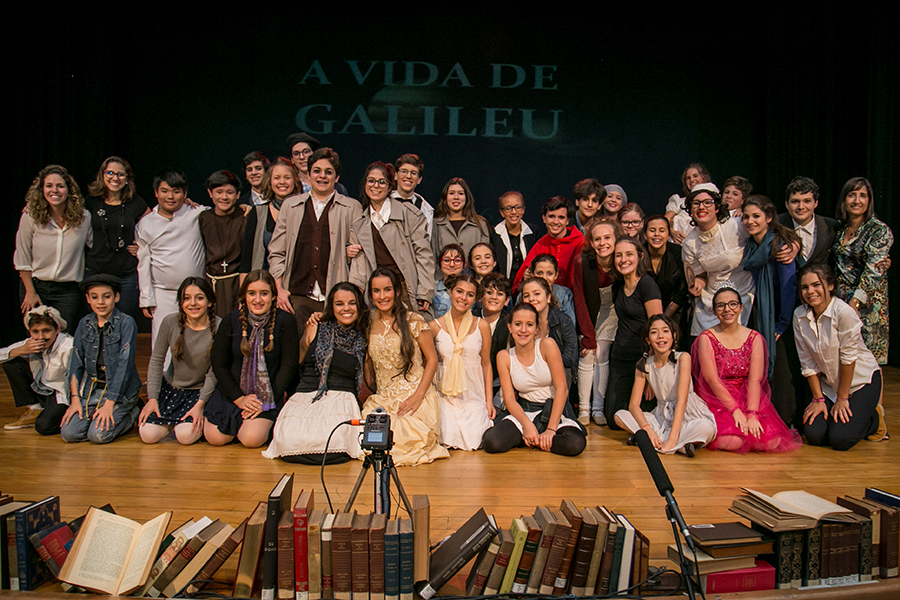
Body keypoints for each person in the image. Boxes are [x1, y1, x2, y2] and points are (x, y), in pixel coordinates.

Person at [263, 282, 368, 464]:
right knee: (288, 439)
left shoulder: (365, 334)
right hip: (308, 394)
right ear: (331, 307)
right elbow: (296, 361)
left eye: (352, 303)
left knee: (334, 439)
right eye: (339, 304)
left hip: (342, 397)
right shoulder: (315, 325)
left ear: (359, 306)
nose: (346, 308)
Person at [691, 282, 801, 453]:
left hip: (748, 396)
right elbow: (712, 379)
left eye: (732, 304)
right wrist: (735, 410)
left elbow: (755, 380)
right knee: (732, 440)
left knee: (770, 441)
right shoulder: (707, 338)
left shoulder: (754, 337)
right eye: (721, 305)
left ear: (741, 308)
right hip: (718, 398)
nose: (727, 309)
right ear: (714, 311)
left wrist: (752, 413)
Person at [361, 268, 449, 466]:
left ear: (397, 291)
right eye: (376, 291)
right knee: (369, 442)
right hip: (383, 398)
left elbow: (432, 360)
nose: (382, 296)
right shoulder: (368, 323)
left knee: (403, 443)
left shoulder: (414, 321)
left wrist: (417, 396)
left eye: (387, 289)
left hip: (415, 396)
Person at [269, 148, 362, 334]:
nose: (322, 176)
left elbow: (359, 256)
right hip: (296, 296)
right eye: (317, 171)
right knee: (298, 347)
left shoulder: (351, 207)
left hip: (337, 298)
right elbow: (277, 252)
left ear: (336, 177)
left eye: (328, 172)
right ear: (308, 174)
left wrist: (352, 295)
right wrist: (279, 289)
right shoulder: (291, 206)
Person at [203, 270, 299, 448]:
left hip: (268, 394)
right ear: (244, 296)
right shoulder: (230, 321)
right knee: (215, 438)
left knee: (251, 439)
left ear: (273, 296)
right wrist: (239, 399)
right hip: (233, 392)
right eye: (252, 293)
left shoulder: (286, 321)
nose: (258, 299)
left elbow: (289, 365)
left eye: (264, 293)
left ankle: (258, 424)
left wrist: (266, 401)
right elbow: (219, 364)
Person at [793, 264, 883, 450]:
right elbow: (807, 362)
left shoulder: (843, 312)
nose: (810, 291)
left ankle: (874, 418)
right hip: (829, 386)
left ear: (830, 285)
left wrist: (842, 399)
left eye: (816, 285)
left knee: (840, 439)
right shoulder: (799, 315)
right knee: (815, 435)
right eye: (805, 287)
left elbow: (848, 359)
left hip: (859, 382)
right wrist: (818, 399)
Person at [481, 303, 587, 456]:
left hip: (554, 410)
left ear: (537, 328)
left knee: (575, 443)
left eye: (529, 325)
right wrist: (527, 425)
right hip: (525, 411)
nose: (523, 330)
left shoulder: (547, 345)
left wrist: (551, 429)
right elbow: (509, 399)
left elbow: (562, 389)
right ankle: (535, 437)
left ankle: (536, 439)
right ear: (510, 328)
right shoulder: (504, 356)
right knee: (492, 442)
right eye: (518, 324)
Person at [613, 314, 716, 456]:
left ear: (674, 336)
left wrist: (672, 439)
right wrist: (647, 428)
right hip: (661, 417)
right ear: (648, 340)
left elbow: (682, 400)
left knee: (705, 428)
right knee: (619, 416)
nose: (661, 336)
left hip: (686, 415)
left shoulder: (682, 358)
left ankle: (664, 442)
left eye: (665, 331)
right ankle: (674, 444)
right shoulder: (644, 364)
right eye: (654, 332)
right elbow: (633, 405)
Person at [61, 275, 141, 444]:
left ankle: (132, 413)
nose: (101, 302)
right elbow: (76, 362)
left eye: (107, 296)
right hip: (93, 391)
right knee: (69, 434)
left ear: (116, 297)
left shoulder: (126, 323)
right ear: (88, 299)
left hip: (120, 393)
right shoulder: (84, 324)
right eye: (95, 297)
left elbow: (125, 365)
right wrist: (74, 399)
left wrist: (110, 403)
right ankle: (96, 417)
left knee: (98, 436)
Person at [741, 195, 800, 426]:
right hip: (762, 312)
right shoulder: (751, 246)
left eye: (756, 216)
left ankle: (785, 421)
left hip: (782, 316)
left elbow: (789, 287)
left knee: (782, 368)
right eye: (746, 217)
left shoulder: (780, 244)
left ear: (768, 218)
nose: (750, 221)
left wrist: (782, 323)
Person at [138, 277, 218, 445]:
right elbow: (156, 361)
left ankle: (183, 423)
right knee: (148, 434)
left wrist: (200, 405)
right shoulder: (170, 322)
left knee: (185, 436)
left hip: (200, 393)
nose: (193, 303)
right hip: (172, 389)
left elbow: (215, 371)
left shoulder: (219, 326)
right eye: (186, 298)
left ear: (209, 302)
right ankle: (172, 421)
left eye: (199, 298)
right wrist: (152, 398)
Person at [348, 161, 434, 314]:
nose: (376, 186)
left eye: (382, 182)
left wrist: (425, 292)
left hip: (405, 288)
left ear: (389, 187)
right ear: (365, 184)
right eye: (371, 181)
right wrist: (355, 295)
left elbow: (423, 255)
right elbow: (359, 266)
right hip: (376, 292)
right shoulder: (359, 224)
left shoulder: (409, 215)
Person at [15, 165, 93, 333]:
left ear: (69, 190)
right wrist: (30, 292)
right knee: (38, 338)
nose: (54, 190)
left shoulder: (83, 217)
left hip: (68, 291)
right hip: (36, 287)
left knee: (63, 339)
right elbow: (22, 256)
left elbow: (96, 246)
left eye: (60, 186)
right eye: (49, 186)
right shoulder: (30, 216)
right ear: (41, 190)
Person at [135, 169, 206, 351]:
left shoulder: (197, 213)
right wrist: (146, 298)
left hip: (196, 292)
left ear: (185, 193)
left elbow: (223, 212)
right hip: (162, 294)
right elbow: (143, 263)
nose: (170, 196)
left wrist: (244, 208)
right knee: (163, 343)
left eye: (176, 191)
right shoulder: (145, 224)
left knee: (196, 342)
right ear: (156, 193)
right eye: (165, 191)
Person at [831, 177, 893, 365]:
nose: (857, 201)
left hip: (867, 305)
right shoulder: (839, 228)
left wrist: (855, 303)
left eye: (862, 196)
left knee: (868, 364)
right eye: (852, 195)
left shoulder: (878, 230)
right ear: (844, 199)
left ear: (869, 200)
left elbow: (874, 272)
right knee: (843, 361)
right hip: (841, 302)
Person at [681, 183, 755, 337]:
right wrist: (697, 284)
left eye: (707, 202)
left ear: (716, 207)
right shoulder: (690, 243)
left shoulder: (736, 226)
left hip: (743, 293)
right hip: (712, 300)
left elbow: (765, 233)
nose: (702, 207)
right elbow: (700, 275)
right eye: (696, 203)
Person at [429, 274, 494, 450]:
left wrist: (488, 400)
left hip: (473, 394)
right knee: (446, 435)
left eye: (470, 294)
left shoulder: (482, 326)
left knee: (476, 439)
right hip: (444, 395)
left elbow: (486, 364)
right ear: (450, 292)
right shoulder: (434, 327)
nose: (463, 298)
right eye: (459, 291)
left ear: (475, 299)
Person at [604, 237, 663, 428]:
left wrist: (651, 373)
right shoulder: (617, 286)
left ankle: (646, 434)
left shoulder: (646, 284)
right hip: (621, 358)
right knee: (613, 418)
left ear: (640, 256)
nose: (623, 260)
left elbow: (659, 329)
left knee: (645, 412)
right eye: (618, 255)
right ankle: (641, 431)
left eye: (629, 254)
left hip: (643, 359)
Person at [83, 156, 149, 317]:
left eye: (120, 174)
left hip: (126, 275)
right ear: (102, 175)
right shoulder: (91, 201)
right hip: (95, 271)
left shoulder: (135, 202)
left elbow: (156, 222)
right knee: (98, 321)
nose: (115, 178)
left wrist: (143, 247)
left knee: (123, 321)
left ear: (127, 178)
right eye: (110, 173)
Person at [573, 219, 620, 425]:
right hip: (589, 310)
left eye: (607, 238)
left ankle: (598, 408)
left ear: (616, 239)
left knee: (602, 352)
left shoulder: (621, 259)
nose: (603, 243)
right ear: (591, 243)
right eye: (597, 239)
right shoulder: (582, 262)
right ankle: (584, 408)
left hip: (612, 310)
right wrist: (588, 334)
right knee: (588, 353)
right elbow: (580, 298)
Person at [1, 306, 73, 434]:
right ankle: (35, 409)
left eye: (46, 331)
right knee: (11, 360)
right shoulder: (30, 342)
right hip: (42, 388)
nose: (41, 337)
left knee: (44, 426)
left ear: (57, 329)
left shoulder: (68, 346)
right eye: (35, 332)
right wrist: (22, 350)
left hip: (61, 394)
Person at [240, 157, 300, 276]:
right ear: (270, 181)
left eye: (287, 177)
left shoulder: (305, 211)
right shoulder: (258, 212)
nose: (282, 182)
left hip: (296, 281)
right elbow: (246, 258)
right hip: (263, 281)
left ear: (295, 180)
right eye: (276, 178)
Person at [199, 170, 246, 317]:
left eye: (229, 192)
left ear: (237, 194)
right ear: (210, 193)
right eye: (219, 192)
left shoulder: (245, 217)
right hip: (212, 284)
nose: (224, 197)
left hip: (236, 283)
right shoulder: (203, 218)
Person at [513, 196, 584, 292]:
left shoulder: (580, 243)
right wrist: (525, 278)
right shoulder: (540, 245)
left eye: (561, 217)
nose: (556, 222)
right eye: (551, 216)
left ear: (567, 221)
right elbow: (518, 285)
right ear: (544, 218)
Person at [520, 277, 578, 385]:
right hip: (527, 376)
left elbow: (570, 359)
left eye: (537, 294)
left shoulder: (563, 321)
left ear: (548, 297)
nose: (531, 299)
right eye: (526, 296)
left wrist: (543, 357)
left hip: (557, 377)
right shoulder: (519, 323)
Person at [644, 215, 690, 344]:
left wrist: (665, 317)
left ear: (669, 234)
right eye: (652, 230)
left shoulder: (678, 253)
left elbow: (682, 289)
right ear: (645, 234)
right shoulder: (639, 254)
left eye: (662, 230)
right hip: (645, 313)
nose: (657, 234)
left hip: (675, 310)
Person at [430, 177, 490, 269]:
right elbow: (432, 258)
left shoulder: (480, 224)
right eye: (451, 193)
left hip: (471, 277)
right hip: (442, 277)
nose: (456, 197)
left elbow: (485, 258)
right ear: (445, 197)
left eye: (461, 193)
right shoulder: (435, 224)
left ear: (466, 197)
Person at [779, 176, 838, 265]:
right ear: (787, 204)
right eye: (795, 201)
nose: (801, 207)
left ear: (816, 203)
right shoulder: (775, 224)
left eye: (807, 201)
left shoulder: (831, 226)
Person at [490, 191, 537, 281]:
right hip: (501, 285)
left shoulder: (533, 232)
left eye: (517, 207)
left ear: (523, 210)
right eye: (508, 208)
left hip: (527, 285)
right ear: (502, 212)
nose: (514, 212)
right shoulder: (493, 234)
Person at [517, 254, 576, 326]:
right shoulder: (523, 294)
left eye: (549, 273)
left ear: (556, 275)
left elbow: (570, 324)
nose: (544, 277)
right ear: (532, 274)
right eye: (539, 273)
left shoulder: (564, 294)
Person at [666, 163, 711, 243]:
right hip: (679, 245)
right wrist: (671, 232)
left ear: (704, 177)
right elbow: (665, 220)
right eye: (688, 178)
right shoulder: (679, 201)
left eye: (695, 176)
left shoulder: (712, 202)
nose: (692, 180)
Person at [391, 154, 434, 238]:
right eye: (404, 171)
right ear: (395, 175)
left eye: (413, 173)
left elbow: (426, 240)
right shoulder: (384, 202)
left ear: (419, 179)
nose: (408, 176)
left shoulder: (425, 209)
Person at [432, 244, 466, 318]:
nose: (452, 264)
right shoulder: (432, 289)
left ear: (464, 264)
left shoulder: (471, 288)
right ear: (439, 264)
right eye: (446, 260)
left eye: (457, 260)